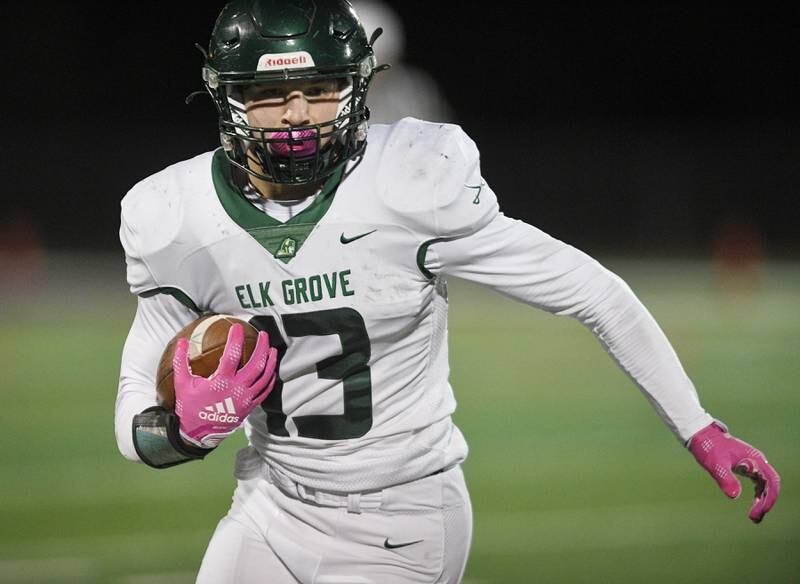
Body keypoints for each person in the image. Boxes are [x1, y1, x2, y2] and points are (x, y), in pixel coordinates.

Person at [115, 1, 781, 582]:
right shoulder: (177, 217)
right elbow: (134, 401)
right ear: (227, 96)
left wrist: (699, 429)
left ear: (357, 88)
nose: (297, 115)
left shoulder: (407, 184)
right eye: (271, 94)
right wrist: (181, 432)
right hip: (269, 503)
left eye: (320, 89)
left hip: (400, 521)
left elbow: (592, 291)